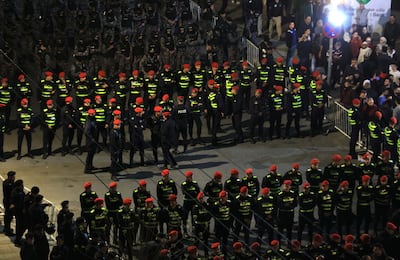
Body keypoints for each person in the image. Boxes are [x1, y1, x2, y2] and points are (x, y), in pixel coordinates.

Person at [84, 109, 98, 174]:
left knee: (92, 154)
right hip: (90, 141)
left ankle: (90, 166)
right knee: (89, 155)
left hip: (93, 139)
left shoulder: (93, 119)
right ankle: (87, 169)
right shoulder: (89, 121)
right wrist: (91, 138)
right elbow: (87, 131)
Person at [3, 170, 16, 236]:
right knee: (9, 216)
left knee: (7, 216)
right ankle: (7, 230)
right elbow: (10, 195)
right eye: (13, 176)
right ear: (10, 177)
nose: (14, 177)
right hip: (8, 202)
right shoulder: (9, 184)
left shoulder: (5, 182)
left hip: (6, 201)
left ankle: (6, 228)